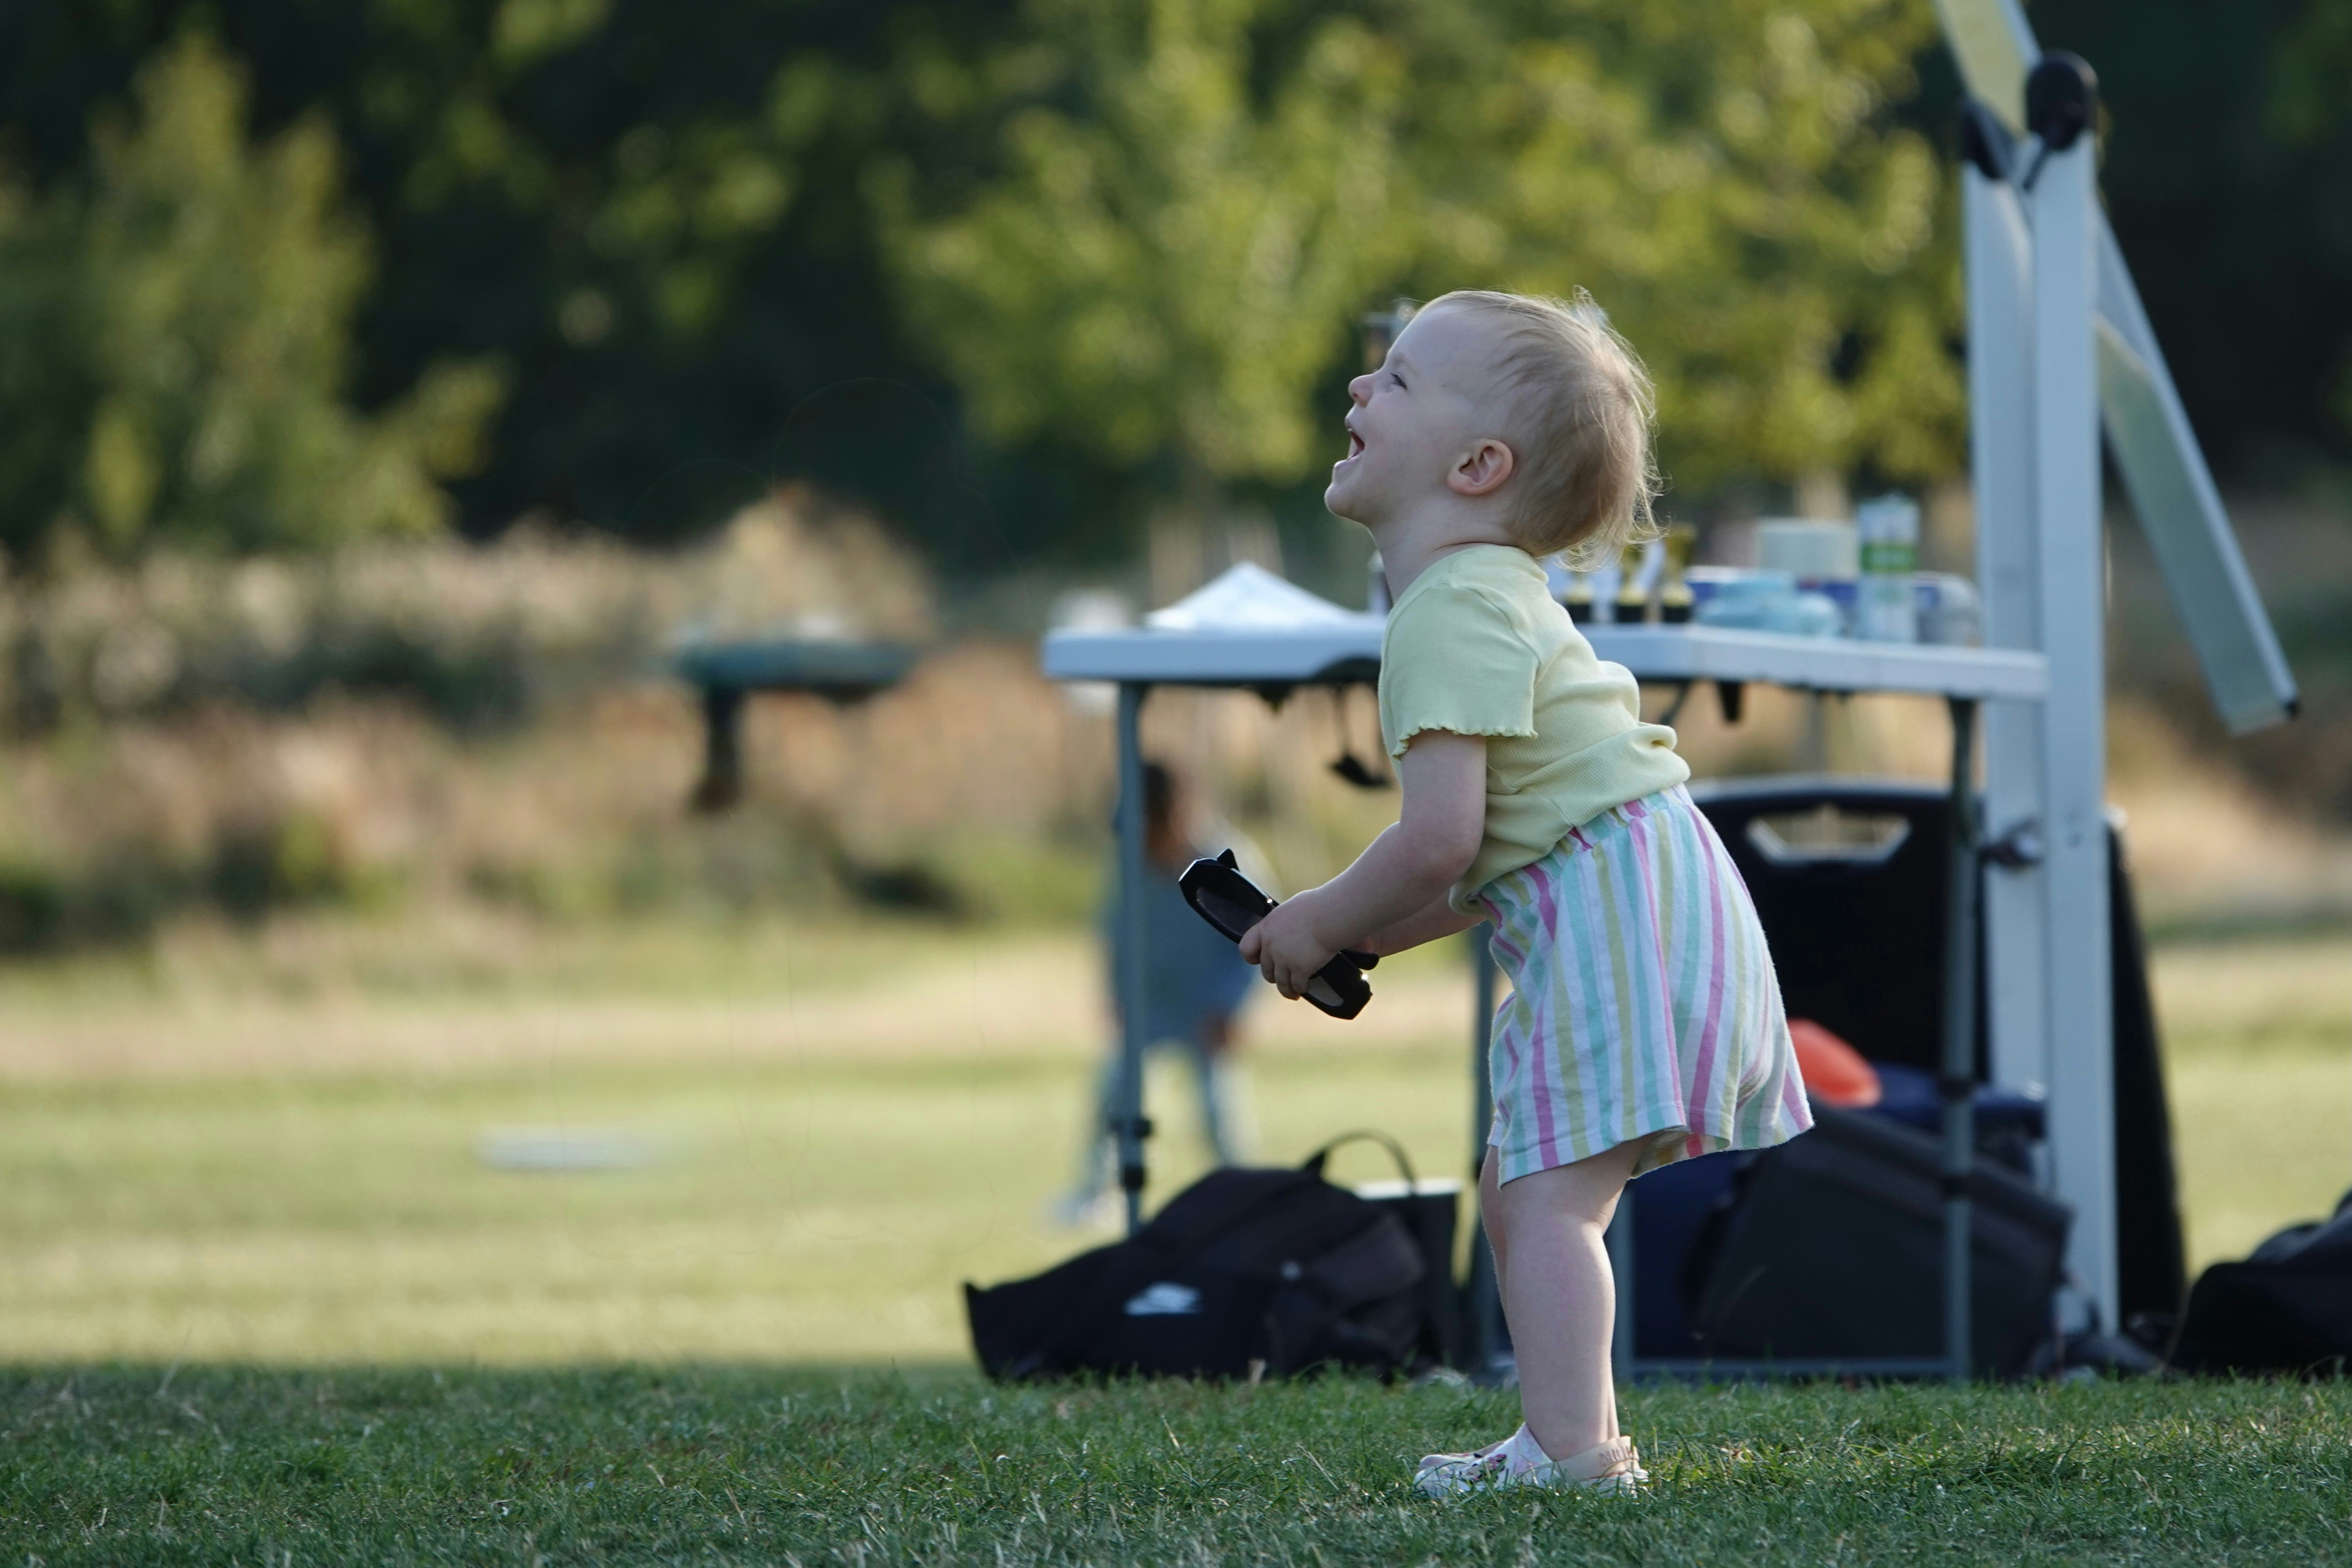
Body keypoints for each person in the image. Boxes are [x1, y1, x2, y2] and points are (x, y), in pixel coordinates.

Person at [1239, 290, 1809, 1495]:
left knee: (1546, 1198)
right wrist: (1374, 939)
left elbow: (1438, 838)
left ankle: (1573, 1454)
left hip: (1618, 901)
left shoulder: (1444, 609)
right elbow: (1494, 845)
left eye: (1392, 380)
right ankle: (1560, 1433)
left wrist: (1312, 920)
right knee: (1527, 1186)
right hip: (1639, 882)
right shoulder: (1484, 594)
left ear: (1475, 464)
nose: (1356, 391)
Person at [1053, 759, 1260, 1227]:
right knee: (1114, 1095)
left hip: (1207, 1007)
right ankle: (1093, 1195)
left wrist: (1230, 1007)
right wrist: (1116, 995)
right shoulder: (1128, 863)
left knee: (1219, 1111)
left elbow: (1258, 941)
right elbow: (1116, 933)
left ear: (1174, 815)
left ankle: (1246, 1199)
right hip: (1149, 1005)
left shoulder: (1226, 857)